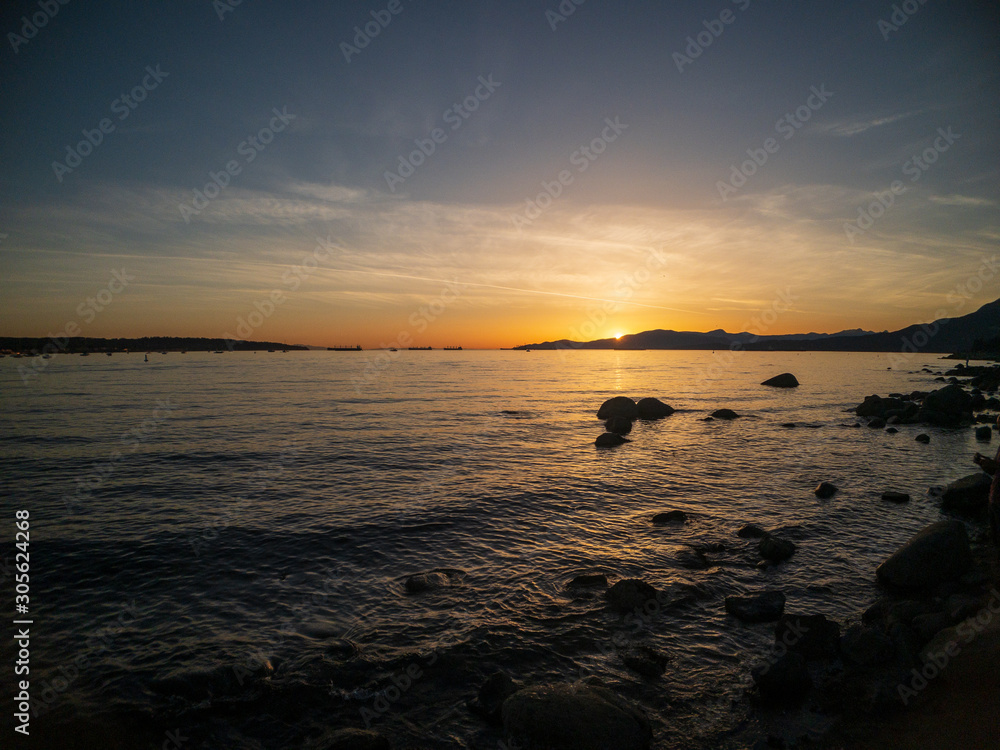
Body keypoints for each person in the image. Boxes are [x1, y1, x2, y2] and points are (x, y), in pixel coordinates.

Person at [973, 414, 1000, 548]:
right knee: (995, 539)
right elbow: (994, 470)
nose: (999, 430)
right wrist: (982, 463)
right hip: (994, 497)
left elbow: (997, 467)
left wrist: (990, 464)